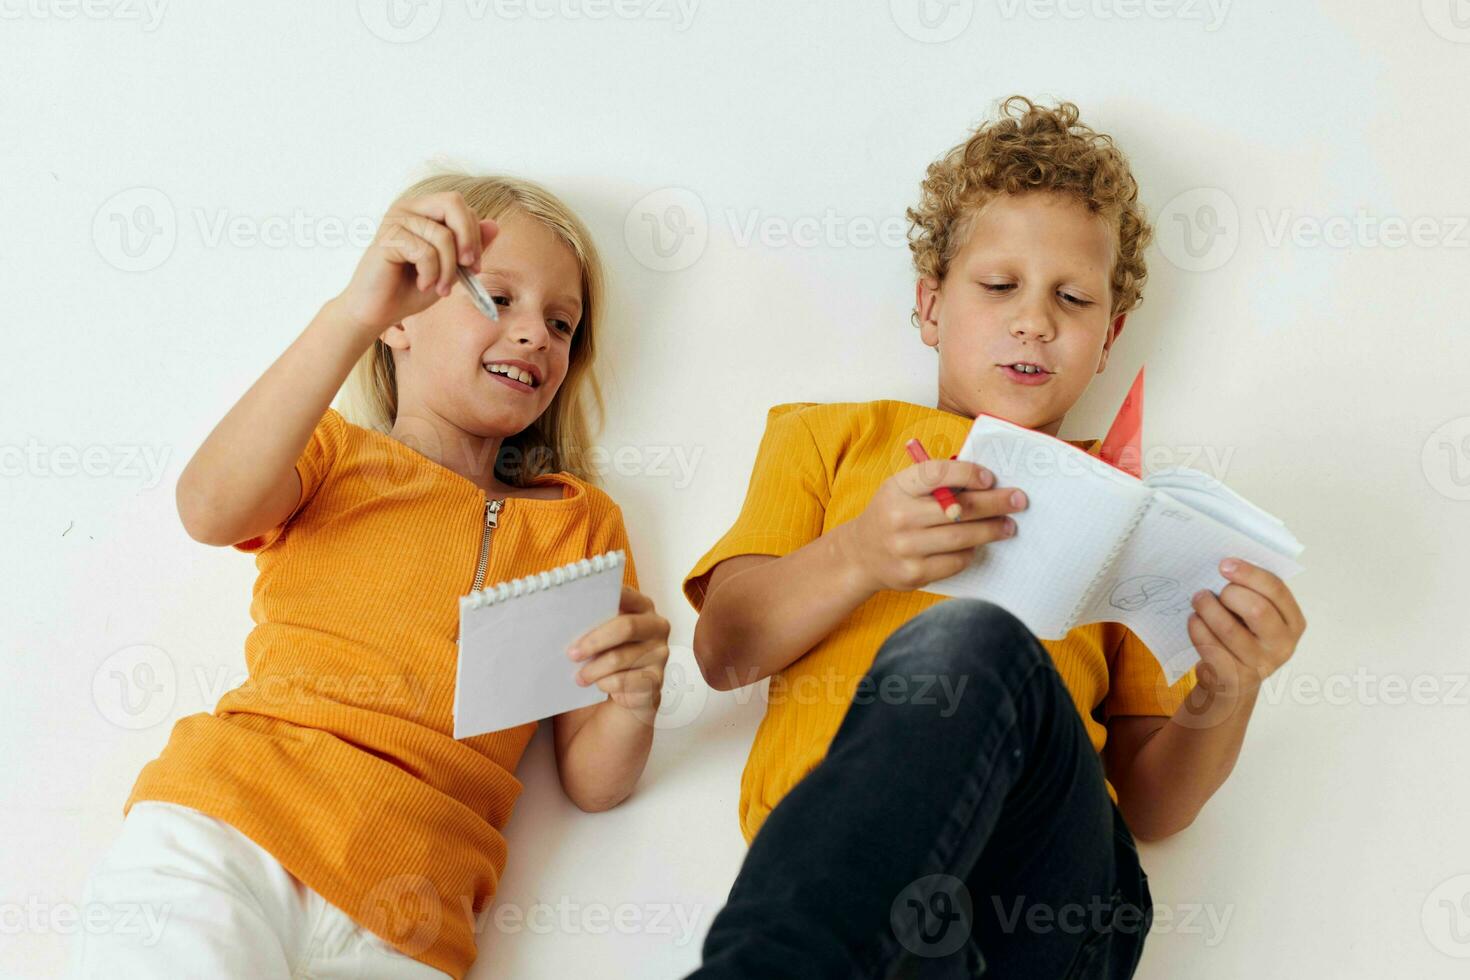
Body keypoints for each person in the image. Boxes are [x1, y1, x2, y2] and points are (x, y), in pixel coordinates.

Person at [681, 96, 1307, 978]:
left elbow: (1156, 807)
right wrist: (862, 553)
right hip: (854, 900)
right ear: (931, 305)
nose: (1035, 321)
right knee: (955, 645)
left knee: (972, 636)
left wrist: (1227, 688)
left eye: (1073, 299)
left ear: (1107, 338)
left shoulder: (1122, 505)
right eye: (1000, 285)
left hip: (1049, 908)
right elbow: (726, 652)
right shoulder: (827, 438)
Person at [72, 173, 671, 979]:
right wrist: (354, 312)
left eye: (561, 323)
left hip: (413, 915)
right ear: (403, 321)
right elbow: (209, 509)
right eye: (500, 299)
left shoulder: (580, 522)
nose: (536, 335)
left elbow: (593, 783)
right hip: (234, 830)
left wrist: (634, 699)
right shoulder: (332, 455)